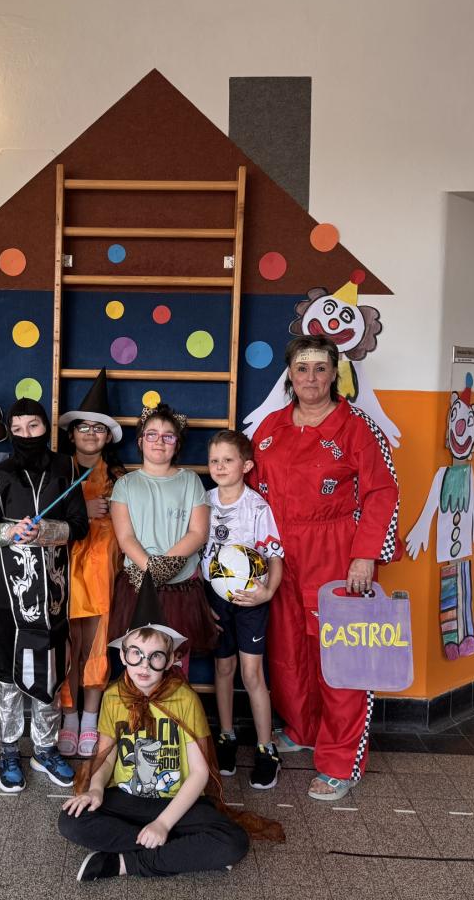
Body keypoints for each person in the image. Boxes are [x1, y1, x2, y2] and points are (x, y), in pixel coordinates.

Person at [249, 335, 400, 801]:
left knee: (342, 658)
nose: (310, 377)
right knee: (288, 648)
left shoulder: (356, 427)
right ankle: (303, 728)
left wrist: (365, 555)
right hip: (279, 554)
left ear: (335, 373)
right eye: (302, 368)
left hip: (336, 551)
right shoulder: (271, 426)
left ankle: (340, 760)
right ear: (290, 375)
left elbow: (383, 493)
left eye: (320, 368)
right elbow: (249, 492)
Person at [57, 583, 254, 881]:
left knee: (234, 841)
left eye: (155, 656)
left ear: (170, 659)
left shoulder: (184, 698)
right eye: (136, 654)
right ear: (123, 656)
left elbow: (200, 773)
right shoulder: (113, 697)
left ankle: (124, 863)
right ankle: (182, 852)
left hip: (175, 801)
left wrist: (163, 823)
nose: (144, 665)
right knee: (70, 821)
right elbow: (106, 757)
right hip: (127, 798)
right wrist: (96, 788)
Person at [0, 398, 89, 792]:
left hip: (54, 592)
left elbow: (80, 526)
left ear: (46, 427)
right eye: (18, 428)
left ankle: (45, 748)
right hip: (8, 594)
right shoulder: (0, 473)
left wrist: (46, 532)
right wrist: (11, 532)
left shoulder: (67, 468)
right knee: (7, 667)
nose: (26, 434)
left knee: (51, 666)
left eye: (34, 426)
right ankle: (9, 750)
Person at [201, 430, 284, 790]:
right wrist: (201, 600)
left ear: (246, 466)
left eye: (228, 460)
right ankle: (227, 737)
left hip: (251, 600)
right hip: (214, 598)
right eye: (214, 460)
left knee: (251, 675)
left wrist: (268, 593)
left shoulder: (257, 507)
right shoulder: (203, 502)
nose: (220, 466)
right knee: (223, 668)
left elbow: (275, 555)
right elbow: (194, 551)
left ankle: (266, 749)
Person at [108, 404, 214, 668]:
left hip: (181, 588)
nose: (159, 441)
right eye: (152, 434)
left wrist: (165, 566)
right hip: (138, 586)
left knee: (175, 664)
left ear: (177, 445)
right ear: (140, 441)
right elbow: (125, 537)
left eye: (168, 436)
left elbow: (198, 532)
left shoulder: (190, 481)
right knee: (139, 662)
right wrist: (150, 568)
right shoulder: (125, 485)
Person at [56, 368, 125, 758]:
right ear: (72, 434)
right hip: (63, 572)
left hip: (101, 573)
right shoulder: (55, 472)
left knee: (97, 646)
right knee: (69, 646)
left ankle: (89, 719)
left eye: (99, 428)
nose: (90, 433)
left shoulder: (118, 476)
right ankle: (68, 716)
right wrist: (80, 508)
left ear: (107, 437)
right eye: (83, 426)